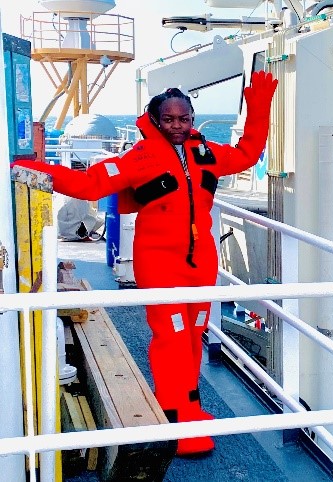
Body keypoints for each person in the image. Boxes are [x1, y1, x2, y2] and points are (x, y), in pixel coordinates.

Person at [12, 70, 278, 456]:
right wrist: (31, 168)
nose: (176, 126)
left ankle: (190, 406)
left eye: (183, 119)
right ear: (154, 120)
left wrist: (258, 107)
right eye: (168, 119)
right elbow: (89, 186)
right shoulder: (139, 159)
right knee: (170, 338)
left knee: (192, 336)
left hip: (200, 263)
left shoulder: (207, 153)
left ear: (192, 119)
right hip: (159, 263)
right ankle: (173, 419)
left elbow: (248, 154)